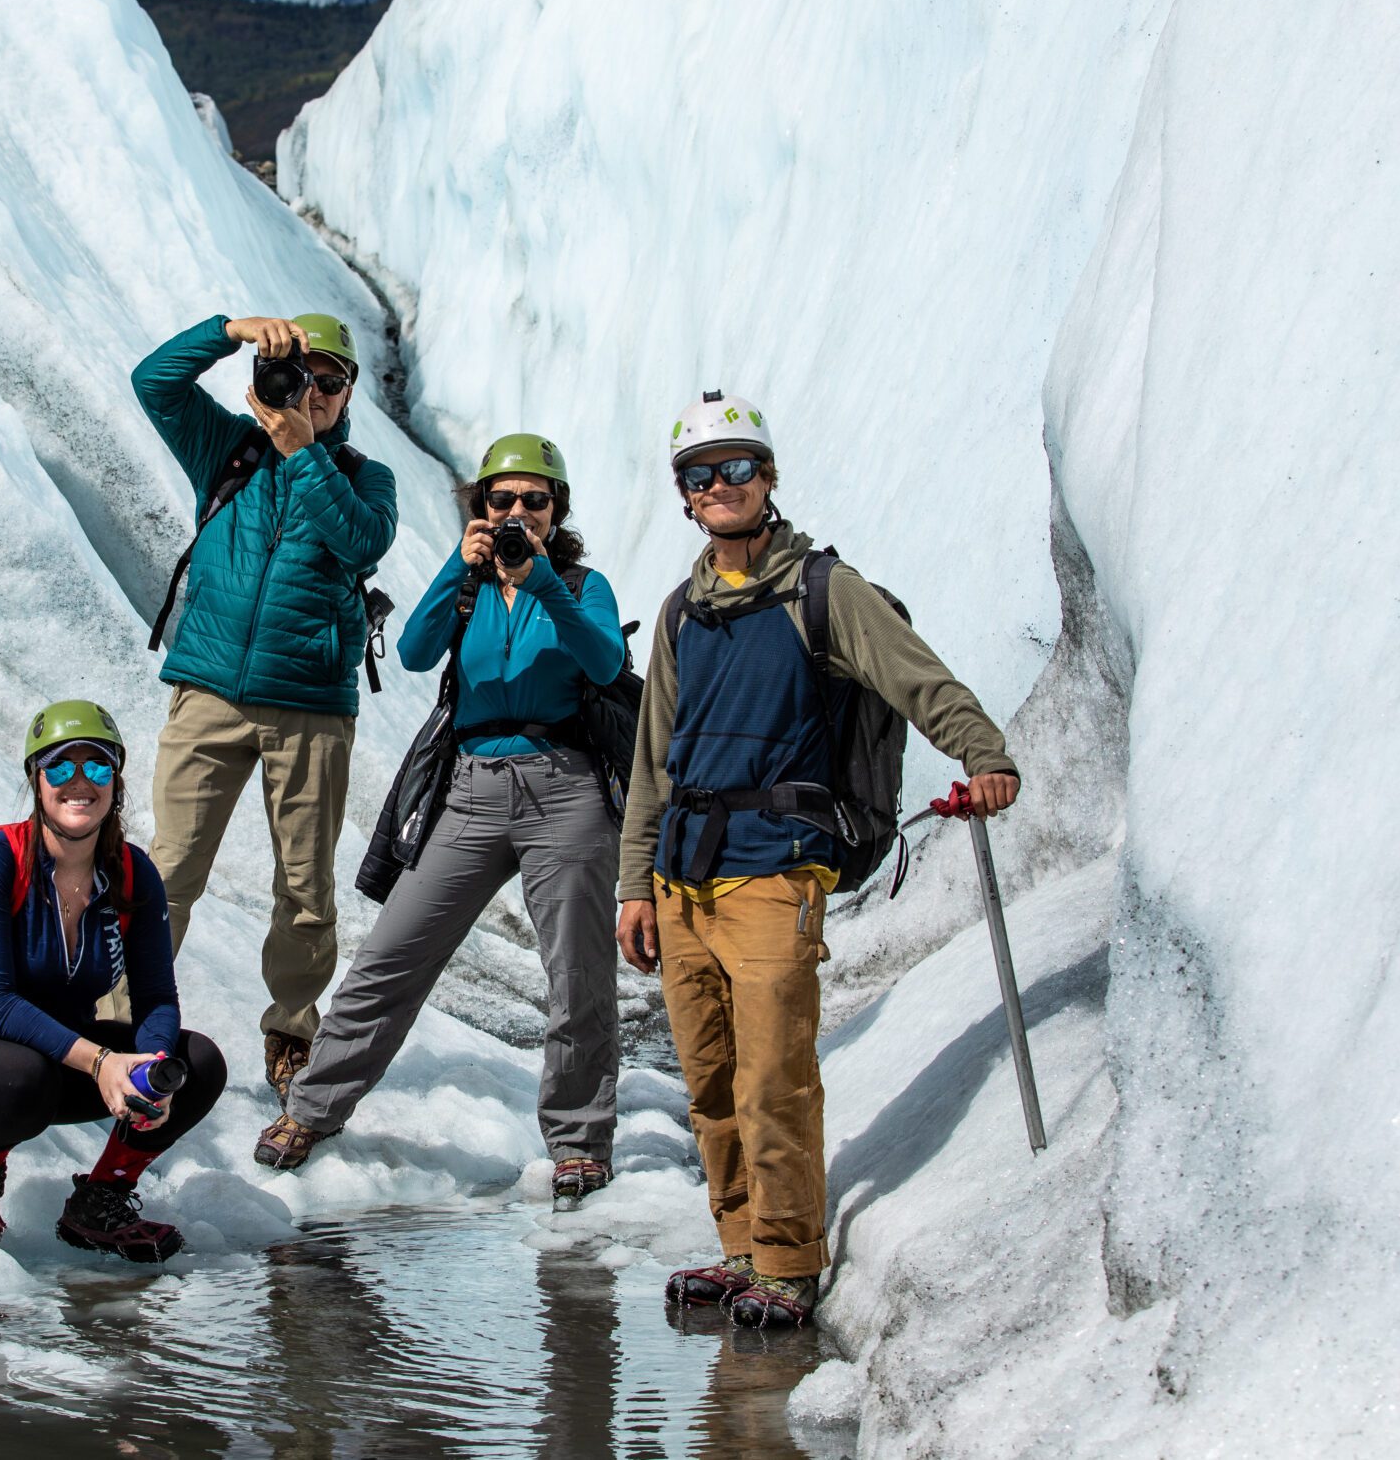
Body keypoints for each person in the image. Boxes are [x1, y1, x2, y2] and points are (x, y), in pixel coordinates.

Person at [617, 393, 1020, 1327]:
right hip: (683, 880)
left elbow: (915, 674)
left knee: (772, 1076)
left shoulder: (825, 591)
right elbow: (653, 761)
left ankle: (790, 1260)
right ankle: (739, 1248)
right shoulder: (682, 612)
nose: (721, 486)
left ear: (768, 480)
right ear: (684, 495)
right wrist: (635, 885)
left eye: (737, 468)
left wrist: (983, 752)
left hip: (775, 871)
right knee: (711, 1083)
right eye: (701, 473)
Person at [255, 434, 625, 1203]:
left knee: (578, 974)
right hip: (473, 784)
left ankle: (580, 1140)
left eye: (535, 500)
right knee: (392, 953)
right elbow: (418, 652)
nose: (518, 512)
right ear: (480, 507)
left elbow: (604, 663)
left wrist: (544, 581)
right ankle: (315, 1106)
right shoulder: (470, 587)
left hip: (566, 787)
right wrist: (462, 565)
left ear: (557, 511)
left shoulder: (584, 584)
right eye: (502, 499)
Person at [130, 312, 398, 1098]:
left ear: (347, 393)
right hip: (209, 687)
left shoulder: (362, 476)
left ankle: (291, 1031)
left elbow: (359, 542)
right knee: (168, 871)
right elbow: (153, 381)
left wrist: (302, 450)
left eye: (329, 380)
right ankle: (119, 1022)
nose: (309, 391)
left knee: (306, 887)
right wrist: (229, 330)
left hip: (310, 704)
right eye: (298, 373)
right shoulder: (227, 449)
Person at [0, 702, 228, 1263]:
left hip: (61, 1056)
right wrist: (101, 1063)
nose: (80, 783)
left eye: (98, 768)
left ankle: (101, 1201)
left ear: (116, 782)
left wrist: (148, 1070)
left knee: (194, 1062)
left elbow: (155, 995)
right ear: (37, 781)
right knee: (18, 1072)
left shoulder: (130, 870)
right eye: (60, 769)